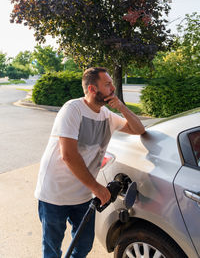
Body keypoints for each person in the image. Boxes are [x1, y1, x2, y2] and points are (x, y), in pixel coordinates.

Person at [35, 67, 145, 258]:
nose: (113, 88)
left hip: (83, 197)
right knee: (52, 250)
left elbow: (139, 129)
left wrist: (120, 107)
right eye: (108, 84)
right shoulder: (73, 109)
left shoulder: (107, 116)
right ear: (93, 89)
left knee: (84, 245)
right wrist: (96, 187)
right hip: (55, 195)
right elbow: (68, 155)